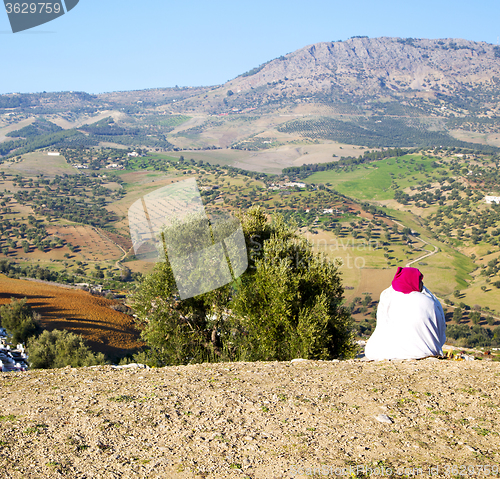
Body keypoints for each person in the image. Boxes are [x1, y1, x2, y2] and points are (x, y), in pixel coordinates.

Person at [364, 267, 446, 360]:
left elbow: (382, 325)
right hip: (426, 351)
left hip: (388, 352)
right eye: (420, 281)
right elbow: (440, 330)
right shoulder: (429, 301)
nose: (422, 284)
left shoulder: (388, 299)